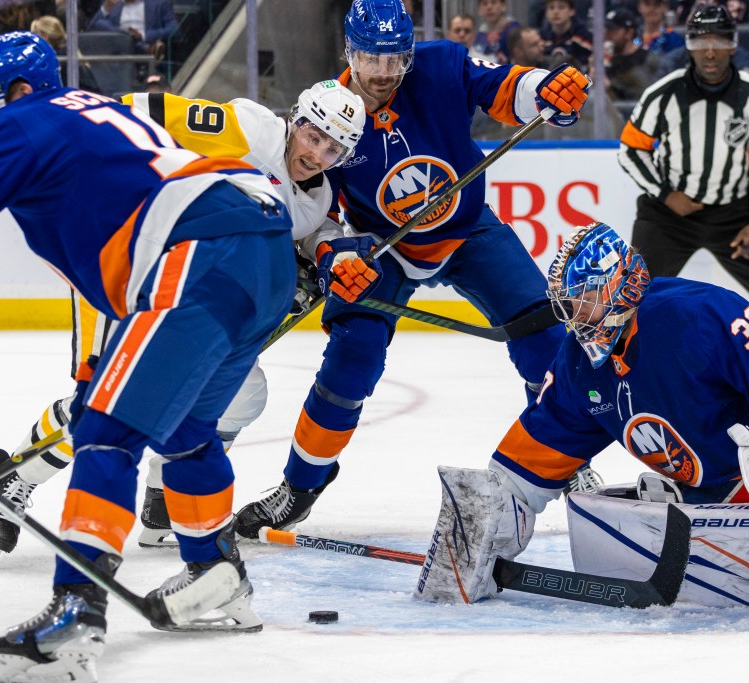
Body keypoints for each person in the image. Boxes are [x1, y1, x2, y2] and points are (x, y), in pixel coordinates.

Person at [0, 26, 296, 682]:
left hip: (199, 251)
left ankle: (75, 615)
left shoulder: (20, 122)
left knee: (106, 431)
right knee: (188, 431)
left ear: (18, 90)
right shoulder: (89, 116)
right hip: (260, 248)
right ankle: (217, 579)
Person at [232, 0, 591, 539]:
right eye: (370, 59)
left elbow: (502, 88)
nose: (382, 73)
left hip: (468, 229)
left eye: (394, 59)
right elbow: (318, 208)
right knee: (351, 360)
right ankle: (300, 486)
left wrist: (546, 90)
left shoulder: (442, 65)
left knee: (542, 330)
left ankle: (569, 461)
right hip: (381, 245)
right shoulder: (334, 112)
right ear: (349, 53)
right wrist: (334, 255)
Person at [0, 80, 365, 559]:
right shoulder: (251, 129)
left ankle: (164, 500)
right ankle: (11, 477)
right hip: (124, 253)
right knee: (102, 399)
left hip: (186, 294)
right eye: (314, 136)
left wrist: (324, 257)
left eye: (334, 148)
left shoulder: (317, 200)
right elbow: (147, 109)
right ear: (295, 121)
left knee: (242, 394)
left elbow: (307, 234)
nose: (318, 153)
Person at [413, 222, 749, 605]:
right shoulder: (576, 366)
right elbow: (527, 468)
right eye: (568, 305)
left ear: (621, 287)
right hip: (713, 497)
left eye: (586, 300)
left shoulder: (697, 314)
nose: (576, 318)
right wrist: (481, 528)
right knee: (630, 510)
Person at [617, 4, 749, 324]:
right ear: (689, 47)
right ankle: (616, 369)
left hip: (736, 217)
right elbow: (630, 150)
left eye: (719, 42)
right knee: (631, 298)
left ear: (733, 45)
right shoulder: (663, 94)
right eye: (701, 43)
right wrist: (665, 194)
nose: (710, 52)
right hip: (667, 216)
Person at [31, 14, 103, 94]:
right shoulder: (66, 52)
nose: (32, 40)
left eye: (35, 34)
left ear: (45, 36)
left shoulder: (60, 58)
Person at [86, 0, 177, 63]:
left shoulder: (159, 3)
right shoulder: (113, 4)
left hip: (146, 57)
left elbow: (174, 29)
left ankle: (139, 44)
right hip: (119, 54)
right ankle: (144, 48)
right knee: (101, 23)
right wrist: (105, 8)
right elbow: (90, 31)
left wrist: (142, 35)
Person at [603, 6, 656, 101]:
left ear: (629, 33)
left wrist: (610, 86)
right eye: (606, 29)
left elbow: (640, 94)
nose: (607, 34)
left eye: (613, 30)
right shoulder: (606, 59)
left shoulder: (647, 59)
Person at [539, 0, 593, 74]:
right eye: (551, 8)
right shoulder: (541, 37)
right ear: (546, 13)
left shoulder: (583, 36)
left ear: (572, 11)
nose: (555, 12)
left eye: (561, 7)